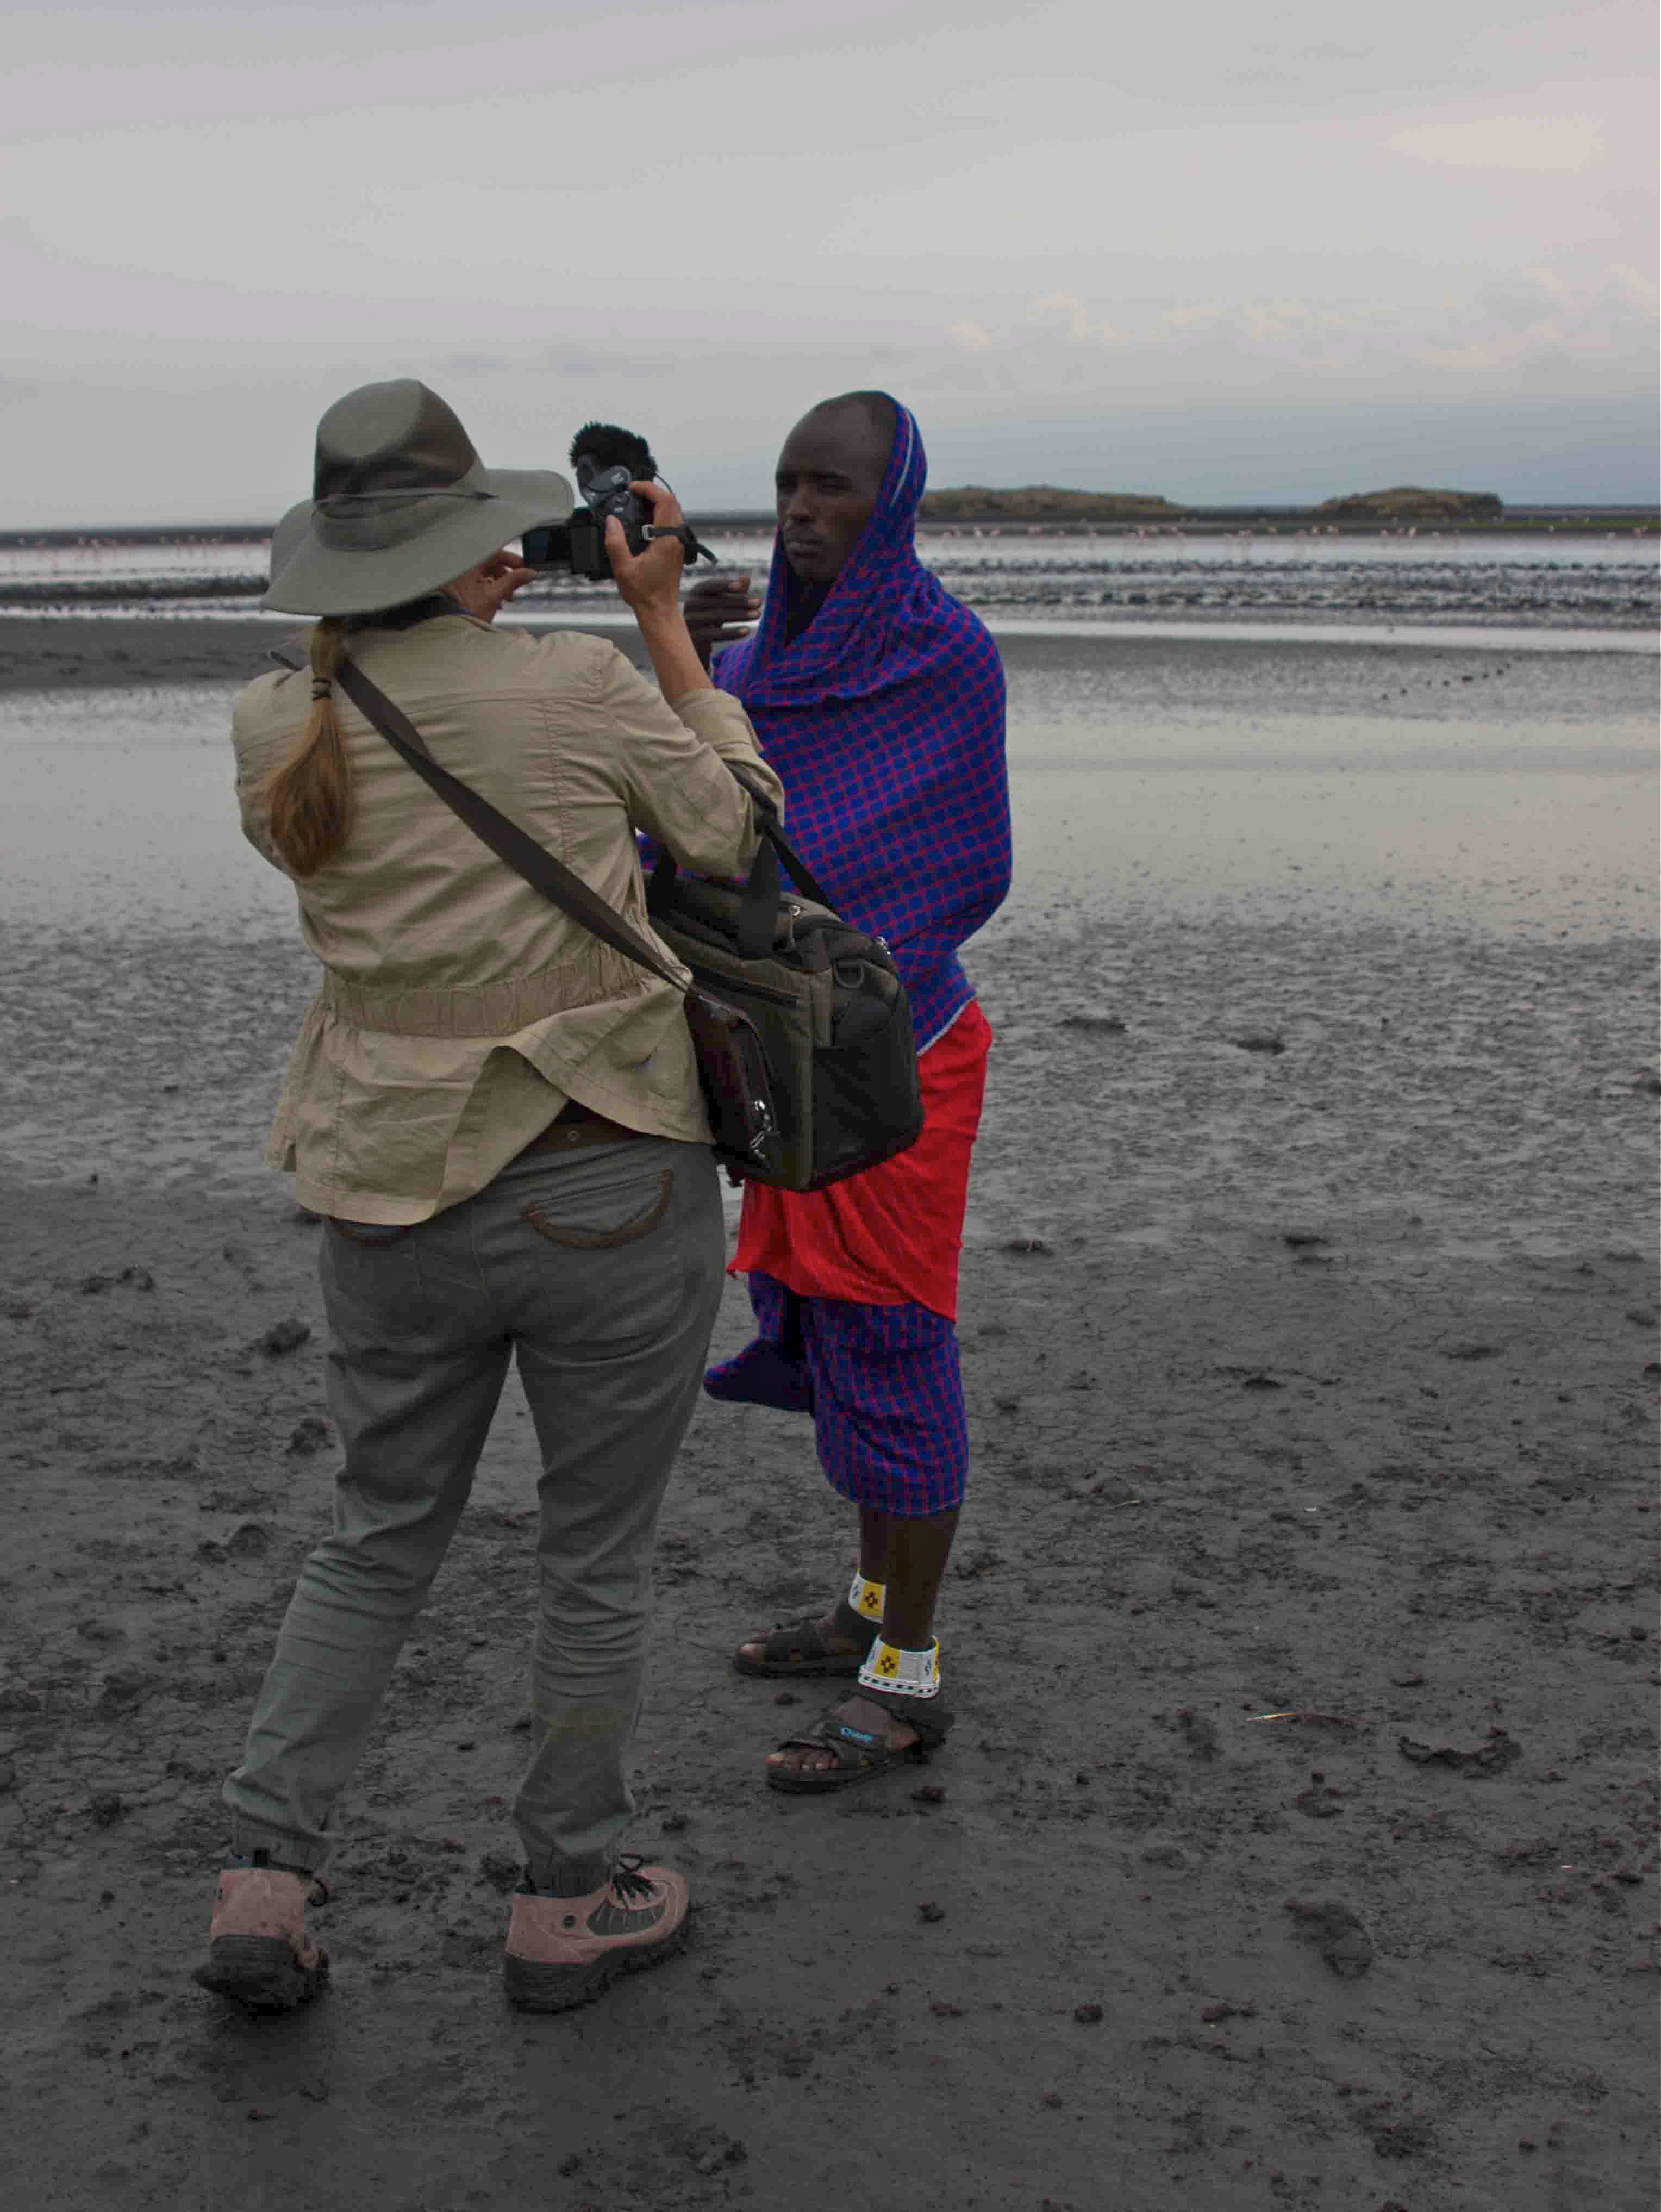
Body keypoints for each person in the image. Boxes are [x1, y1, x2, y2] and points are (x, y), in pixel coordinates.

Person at [198, 378, 783, 2014]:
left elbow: (382, 773)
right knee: (593, 1562)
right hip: (606, 1175)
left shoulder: (275, 724)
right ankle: (567, 1896)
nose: (520, 562)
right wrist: (673, 631)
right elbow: (734, 837)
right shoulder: (577, 689)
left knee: (375, 1537)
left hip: (386, 1191)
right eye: (494, 544)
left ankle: (265, 1868)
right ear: (453, 545)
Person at [683, 391, 1010, 1792]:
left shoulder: (940, 656)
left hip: (898, 1057)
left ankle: (908, 1682)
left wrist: (699, 671)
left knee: (895, 1342)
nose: (801, 510)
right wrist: (698, 656)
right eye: (785, 485)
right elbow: (721, 777)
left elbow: (947, 862)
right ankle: (867, 1612)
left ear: (895, 501)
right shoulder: (780, 654)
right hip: (795, 1050)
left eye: (831, 489)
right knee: (831, 1336)